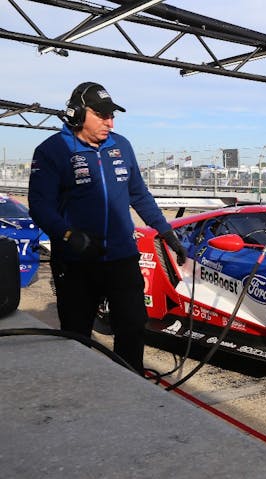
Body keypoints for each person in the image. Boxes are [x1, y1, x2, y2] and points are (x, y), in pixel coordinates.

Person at [28, 81, 187, 375]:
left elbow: (139, 194)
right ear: (77, 114)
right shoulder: (52, 151)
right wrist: (67, 235)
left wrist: (165, 231)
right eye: (102, 115)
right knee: (76, 335)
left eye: (112, 116)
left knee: (133, 324)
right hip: (76, 262)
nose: (109, 122)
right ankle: (81, 389)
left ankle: (131, 385)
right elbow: (39, 205)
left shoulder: (121, 146)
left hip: (121, 257)